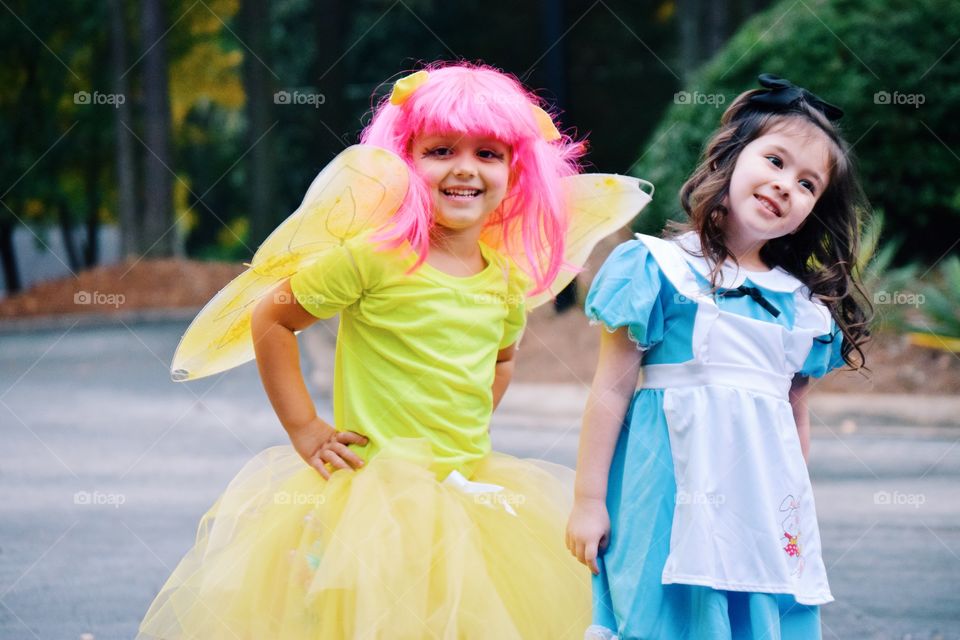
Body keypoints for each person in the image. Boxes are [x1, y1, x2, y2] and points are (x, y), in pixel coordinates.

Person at [138, 62, 644, 639]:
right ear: (405, 161)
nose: (465, 168)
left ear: (516, 171)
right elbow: (272, 317)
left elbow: (500, 361)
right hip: (370, 496)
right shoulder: (374, 258)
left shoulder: (504, 278)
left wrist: (463, 419)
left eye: (489, 154)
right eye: (441, 150)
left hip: (463, 490)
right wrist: (305, 427)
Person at [566, 74, 871, 640]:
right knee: (661, 618)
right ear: (730, 158)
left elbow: (792, 414)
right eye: (775, 161)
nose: (786, 185)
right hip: (663, 499)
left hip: (757, 510)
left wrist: (788, 515)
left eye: (808, 184)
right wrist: (589, 500)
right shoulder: (657, 268)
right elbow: (610, 392)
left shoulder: (803, 307)